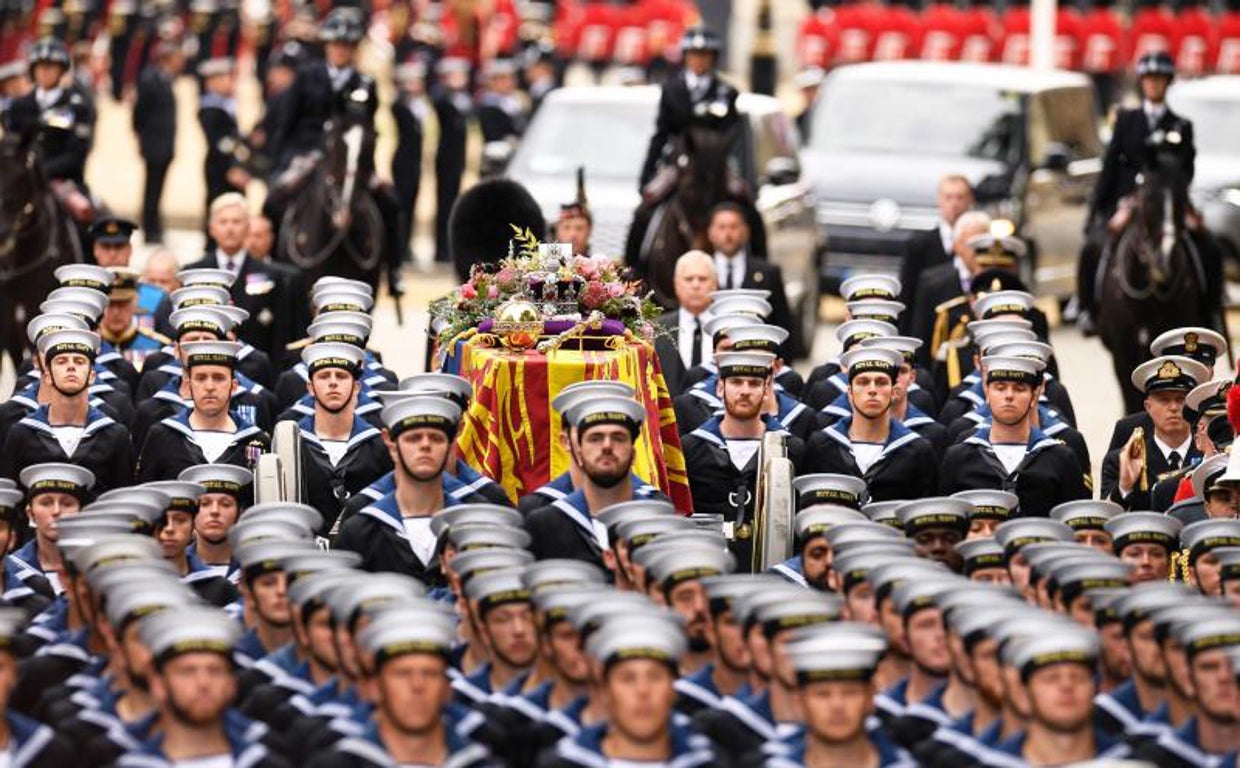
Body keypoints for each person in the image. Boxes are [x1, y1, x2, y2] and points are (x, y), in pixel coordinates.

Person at [1079, 50, 1196, 333]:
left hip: (1166, 203)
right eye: (1149, 79)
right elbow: (1111, 167)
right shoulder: (1126, 120)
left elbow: (1186, 171)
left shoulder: (1181, 125)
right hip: (1126, 203)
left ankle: (1210, 306)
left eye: (1159, 79)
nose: (1154, 84)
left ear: (1167, 83)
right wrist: (1099, 209)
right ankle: (1086, 308)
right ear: (1141, 83)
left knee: (1206, 247)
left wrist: (1186, 207)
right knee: (1092, 248)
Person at [333, 396, 478, 583]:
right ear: (391, 446)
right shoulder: (360, 532)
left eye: (436, 438)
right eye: (413, 438)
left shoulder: (473, 527)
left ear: (449, 445)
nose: (425, 445)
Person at [681, 351, 806, 565]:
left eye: (754, 383)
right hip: (708, 568)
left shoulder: (791, 449)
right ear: (720, 388)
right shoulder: (690, 448)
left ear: (766, 390)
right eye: (736, 382)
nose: (745, 391)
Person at [939, 355, 1090, 517]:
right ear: (987, 392)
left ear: (1034, 396)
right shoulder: (958, 458)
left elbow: (1073, 526)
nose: (1009, 395)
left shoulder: (1061, 458)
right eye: (1000, 387)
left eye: (1019, 388)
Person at [525, 395, 659, 568]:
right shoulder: (544, 525)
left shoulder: (656, 520)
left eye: (618, 437)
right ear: (578, 454)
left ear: (633, 454)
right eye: (595, 438)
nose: (607, 446)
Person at [0, 329, 133, 494]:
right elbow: (10, 500)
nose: (71, 366)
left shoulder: (115, 435)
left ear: (92, 376)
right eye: (61, 361)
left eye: (79, 361)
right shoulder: (21, 433)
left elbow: (122, 498)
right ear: (47, 376)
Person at [803, 347, 938, 501]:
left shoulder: (919, 451)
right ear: (850, 392)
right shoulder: (821, 446)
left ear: (893, 392)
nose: (872, 390)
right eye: (863, 382)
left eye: (881, 382)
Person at [290, 343, 393, 536]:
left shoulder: (379, 445)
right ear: (310, 388)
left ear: (356, 387)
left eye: (342, 376)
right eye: (323, 376)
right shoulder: (291, 441)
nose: (333, 382)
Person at [181, 194, 295, 362]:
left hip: (256, 368)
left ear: (247, 227)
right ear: (212, 228)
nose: (230, 228)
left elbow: (280, 335)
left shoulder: (271, 275)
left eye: (236, 222)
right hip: (205, 366)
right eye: (223, 222)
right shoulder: (193, 273)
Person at [136, 340, 271, 481]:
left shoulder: (256, 441)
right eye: (201, 378)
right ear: (189, 385)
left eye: (219, 378)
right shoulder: (161, 436)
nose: (209, 386)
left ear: (234, 386)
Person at [1102, 355, 1210, 510]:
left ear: (1193, 406)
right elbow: (1106, 520)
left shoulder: (1208, 456)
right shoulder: (1121, 461)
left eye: (1180, 399)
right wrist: (1124, 486)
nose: (1173, 407)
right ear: (1148, 407)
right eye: (1164, 400)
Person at [639, 25, 739, 189]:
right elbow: (661, 134)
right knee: (647, 207)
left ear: (713, 58)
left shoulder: (727, 93)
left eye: (704, 55)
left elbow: (732, 135)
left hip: (715, 165)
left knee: (743, 202)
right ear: (685, 56)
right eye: (693, 54)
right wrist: (647, 172)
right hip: (677, 162)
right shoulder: (671, 90)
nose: (698, 60)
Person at [4, 37, 95, 196]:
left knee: (88, 213)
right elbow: (11, 146)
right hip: (22, 181)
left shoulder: (77, 107)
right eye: (40, 66)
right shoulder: (18, 106)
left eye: (51, 66)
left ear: (61, 69)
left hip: (63, 182)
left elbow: (77, 153)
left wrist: (43, 171)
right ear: (33, 70)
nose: (44, 71)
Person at [708, 203, 794, 354]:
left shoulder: (768, 273)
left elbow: (782, 325)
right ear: (710, 233)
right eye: (721, 227)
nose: (728, 234)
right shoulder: (699, 273)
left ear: (746, 232)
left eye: (733, 227)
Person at [898, 175, 974, 321]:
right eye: (948, 197)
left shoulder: (978, 244)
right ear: (939, 200)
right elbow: (906, 296)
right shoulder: (918, 246)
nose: (954, 204)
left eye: (960, 197)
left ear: (970, 200)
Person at [133, 40, 183, 244]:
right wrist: (143, 138)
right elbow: (139, 113)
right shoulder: (149, 79)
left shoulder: (167, 79)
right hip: (153, 144)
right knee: (151, 188)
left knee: (159, 187)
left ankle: (156, 226)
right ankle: (149, 228)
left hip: (165, 144)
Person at [655, 250, 716, 396]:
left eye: (702, 279)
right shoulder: (656, 329)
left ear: (715, 284)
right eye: (689, 279)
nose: (695, 285)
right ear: (676, 284)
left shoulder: (727, 328)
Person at [431, 58, 472, 264]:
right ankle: (441, 249)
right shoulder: (442, 99)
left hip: (458, 159)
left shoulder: (462, 99)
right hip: (446, 159)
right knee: (444, 204)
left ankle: (448, 247)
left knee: (453, 202)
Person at [198, 57, 246, 219]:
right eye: (227, 78)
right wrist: (234, 165)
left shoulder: (227, 104)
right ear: (213, 82)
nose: (232, 82)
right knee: (220, 211)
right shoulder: (210, 108)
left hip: (230, 165)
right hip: (220, 167)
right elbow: (221, 143)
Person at [98, 269, 170, 372]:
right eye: (110, 305)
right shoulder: (92, 345)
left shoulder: (158, 346)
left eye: (123, 304)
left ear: (135, 303)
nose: (116, 312)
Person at [391, 61, 426, 265]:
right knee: (401, 207)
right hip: (402, 164)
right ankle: (399, 248)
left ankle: (406, 246)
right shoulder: (398, 106)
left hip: (415, 163)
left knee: (411, 206)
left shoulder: (418, 105)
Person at [476, 58, 526, 144]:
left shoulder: (519, 100)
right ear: (491, 81)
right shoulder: (487, 105)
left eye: (511, 78)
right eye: (503, 78)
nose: (509, 82)